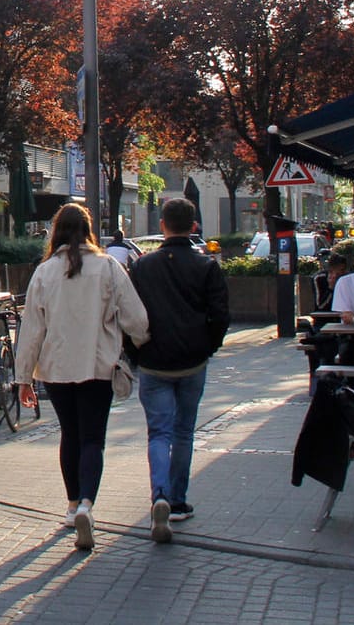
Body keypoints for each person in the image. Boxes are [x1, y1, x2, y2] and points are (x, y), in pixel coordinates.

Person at [13, 203, 151, 552]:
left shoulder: (44, 273)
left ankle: (72, 504)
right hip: (97, 366)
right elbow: (136, 318)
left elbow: (31, 329)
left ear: (56, 231)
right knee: (93, 438)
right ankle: (88, 504)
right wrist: (143, 342)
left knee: (69, 435)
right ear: (89, 230)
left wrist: (23, 378)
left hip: (56, 368)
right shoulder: (108, 267)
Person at [125, 197, 229, 542]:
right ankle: (179, 500)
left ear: (163, 226)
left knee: (159, 433)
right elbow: (221, 315)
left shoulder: (143, 266)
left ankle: (160, 495)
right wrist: (208, 346)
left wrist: (135, 352)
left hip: (154, 360)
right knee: (184, 432)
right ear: (193, 226)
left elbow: (129, 315)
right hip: (192, 361)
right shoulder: (206, 267)